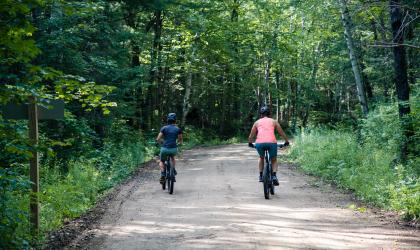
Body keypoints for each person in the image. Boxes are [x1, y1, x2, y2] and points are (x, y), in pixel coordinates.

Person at [248, 106, 289, 185]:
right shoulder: (274, 121)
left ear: (261, 114)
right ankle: (274, 176)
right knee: (273, 159)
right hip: (271, 143)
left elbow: (251, 135)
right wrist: (286, 141)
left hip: (259, 143)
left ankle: (260, 176)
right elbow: (281, 133)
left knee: (261, 157)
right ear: (269, 114)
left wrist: (250, 143)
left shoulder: (257, 122)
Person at [156, 113, 183, 184]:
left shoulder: (164, 128)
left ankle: (163, 174)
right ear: (175, 120)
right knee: (173, 158)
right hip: (173, 149)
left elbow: (158, 139)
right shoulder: (178, 129)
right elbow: (180, 140)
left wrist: (160, 142)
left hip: (164, 149)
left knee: (161, 161)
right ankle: (173, 170)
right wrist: (179, 143)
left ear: (168, 120)